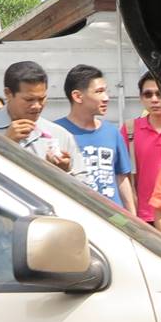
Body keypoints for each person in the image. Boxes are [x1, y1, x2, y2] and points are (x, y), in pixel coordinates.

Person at [0, 61, 90, 184]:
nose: (37, 106)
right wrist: (6, 145)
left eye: (42, 99)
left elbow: (85, 187)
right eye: (29, 99)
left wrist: (64, 172)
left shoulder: (60, 135)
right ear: (8, 94)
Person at [56, 64, 135, 212]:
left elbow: (122, 178)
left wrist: (133, 217)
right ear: (77, 96)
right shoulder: (57, 133)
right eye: (99, 92)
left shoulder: (112, 132)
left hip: (113, 217)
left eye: (106, 91)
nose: (106, 98)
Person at [130, 71, 161, 224]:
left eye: (159, 94)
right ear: (141, 98)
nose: (154, 99)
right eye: (148, 94)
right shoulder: (130, 130)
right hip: (142, 216)